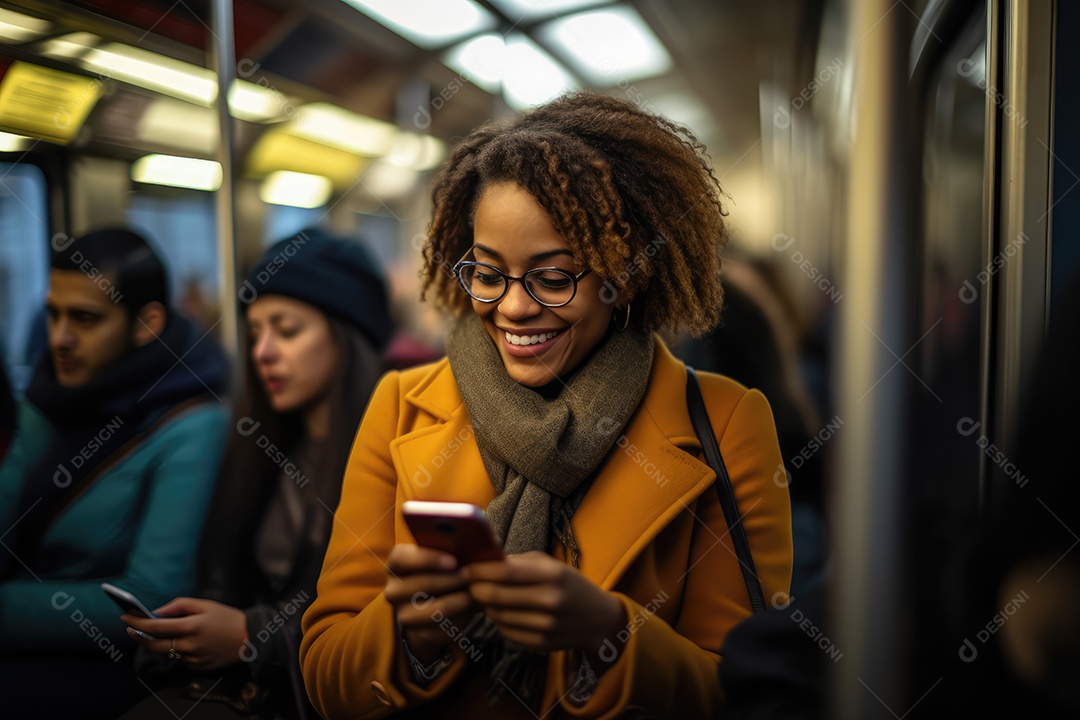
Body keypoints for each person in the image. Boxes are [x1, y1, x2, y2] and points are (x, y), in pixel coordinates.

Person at [300, 91, 794, 719]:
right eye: (486, 272)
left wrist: (609, 634)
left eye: (554, 277)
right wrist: (408, 636)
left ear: (626, 274)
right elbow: (324, 670)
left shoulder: (725, 423)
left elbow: (748, 689)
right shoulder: (401, 404)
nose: (513, 307)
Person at [120, 228, 394, 720]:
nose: (263, 351)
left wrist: (252, 637)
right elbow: (224, 580)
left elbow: (378, 625)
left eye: (286, 331)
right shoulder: (257, 449)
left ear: (346, 336)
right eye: (254, 334)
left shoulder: (392, 456)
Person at [0, 228, 229, 718]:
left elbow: (150, 599)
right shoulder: (51, 396)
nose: (59, 338)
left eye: (85, 319)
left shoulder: (191, 421)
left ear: (145, 324)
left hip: (111, 662)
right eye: (53, 313)